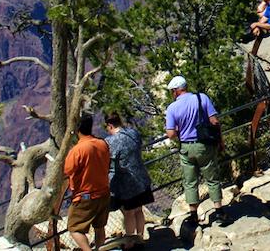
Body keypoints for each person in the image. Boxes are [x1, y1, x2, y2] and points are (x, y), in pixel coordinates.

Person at [163, 76, 224, 223]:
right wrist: (221, 140)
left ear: (175, 91)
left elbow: (170, 134)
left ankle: (193, 215)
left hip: (186, 147)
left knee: (190, 182)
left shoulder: (172, 108)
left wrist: (180, 130)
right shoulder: (201, 98)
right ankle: (219, 211)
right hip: (204, 145)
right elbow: (214, 121)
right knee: (212, 178)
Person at [104, 112, 154, 247]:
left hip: (126, 182)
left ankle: (130, 243)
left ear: (109, 125)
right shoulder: (134, 133)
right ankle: (140, 238)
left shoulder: (111, 141)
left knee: (129, 213)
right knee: (139, 210)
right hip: (141, 177)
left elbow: (109, 162)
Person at [64, 112, 111, 251]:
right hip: (103, 193)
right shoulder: (102, 143)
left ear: (77, 129)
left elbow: (67, 170)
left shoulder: (78, 150)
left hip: (85, 196)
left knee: (74, 228)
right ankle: (99, 249)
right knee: (99, 226)